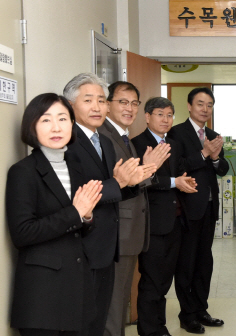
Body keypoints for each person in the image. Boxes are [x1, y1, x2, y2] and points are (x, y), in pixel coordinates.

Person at [64, 73, 155, 336]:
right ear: (71, 105)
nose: (97, 107)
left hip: (111, 236)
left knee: (109, 307)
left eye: (101, 100)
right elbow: (81, 194)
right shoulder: (69, 141)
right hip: (88, 239)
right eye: (89, 100)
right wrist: (121, 182)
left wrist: (134, 180)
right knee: (98, 314)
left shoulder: (102, 139)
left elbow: (117, 189)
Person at [7, 93, 102, 336]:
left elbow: (81, 226)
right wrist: (76, 212)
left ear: (72, 124)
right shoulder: (22, 172)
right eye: (46, 120)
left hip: (77, 289)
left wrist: (87, 216)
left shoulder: (75, 166)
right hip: (42, 297)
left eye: (63, 119)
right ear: (32, 126)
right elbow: (22, 233)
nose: (56, 127)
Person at [99, 82, 171, 336]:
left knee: (119, 300)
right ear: (107, 104)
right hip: (117, 231)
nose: (129, 108)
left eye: (134, 103)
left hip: (130, 232)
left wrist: (146, 169)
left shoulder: (121, 136)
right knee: (113, 302)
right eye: (122, 102)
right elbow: (118, 183)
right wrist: (148, 169)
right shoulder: (105, 136)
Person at [131, 97, 198, 336]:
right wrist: (174, 182)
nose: (166, 119)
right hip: (153, 223)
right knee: (152, 280)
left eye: (169, 115)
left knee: (164, 280)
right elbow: (139, 181)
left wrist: (184, 180)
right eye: (160, 114)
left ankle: (159, 326)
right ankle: (149, 329)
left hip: (176, 221)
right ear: (147, 116)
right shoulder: (137, 144)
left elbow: (179, 172)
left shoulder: (174, 143)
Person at [166, 87, 229, 334]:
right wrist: (204, 153)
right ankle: (187, 314)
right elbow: (177, 166)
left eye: (210, 105)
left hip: (210, 207)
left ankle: (201, 309)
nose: (205, 109)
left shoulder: (213, 134)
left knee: (205, 261)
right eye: (200, 104)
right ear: (190, 106)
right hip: (187, 207)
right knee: (187, 262)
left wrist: (214, 157)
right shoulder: (176, 132)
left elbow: (222, 168)